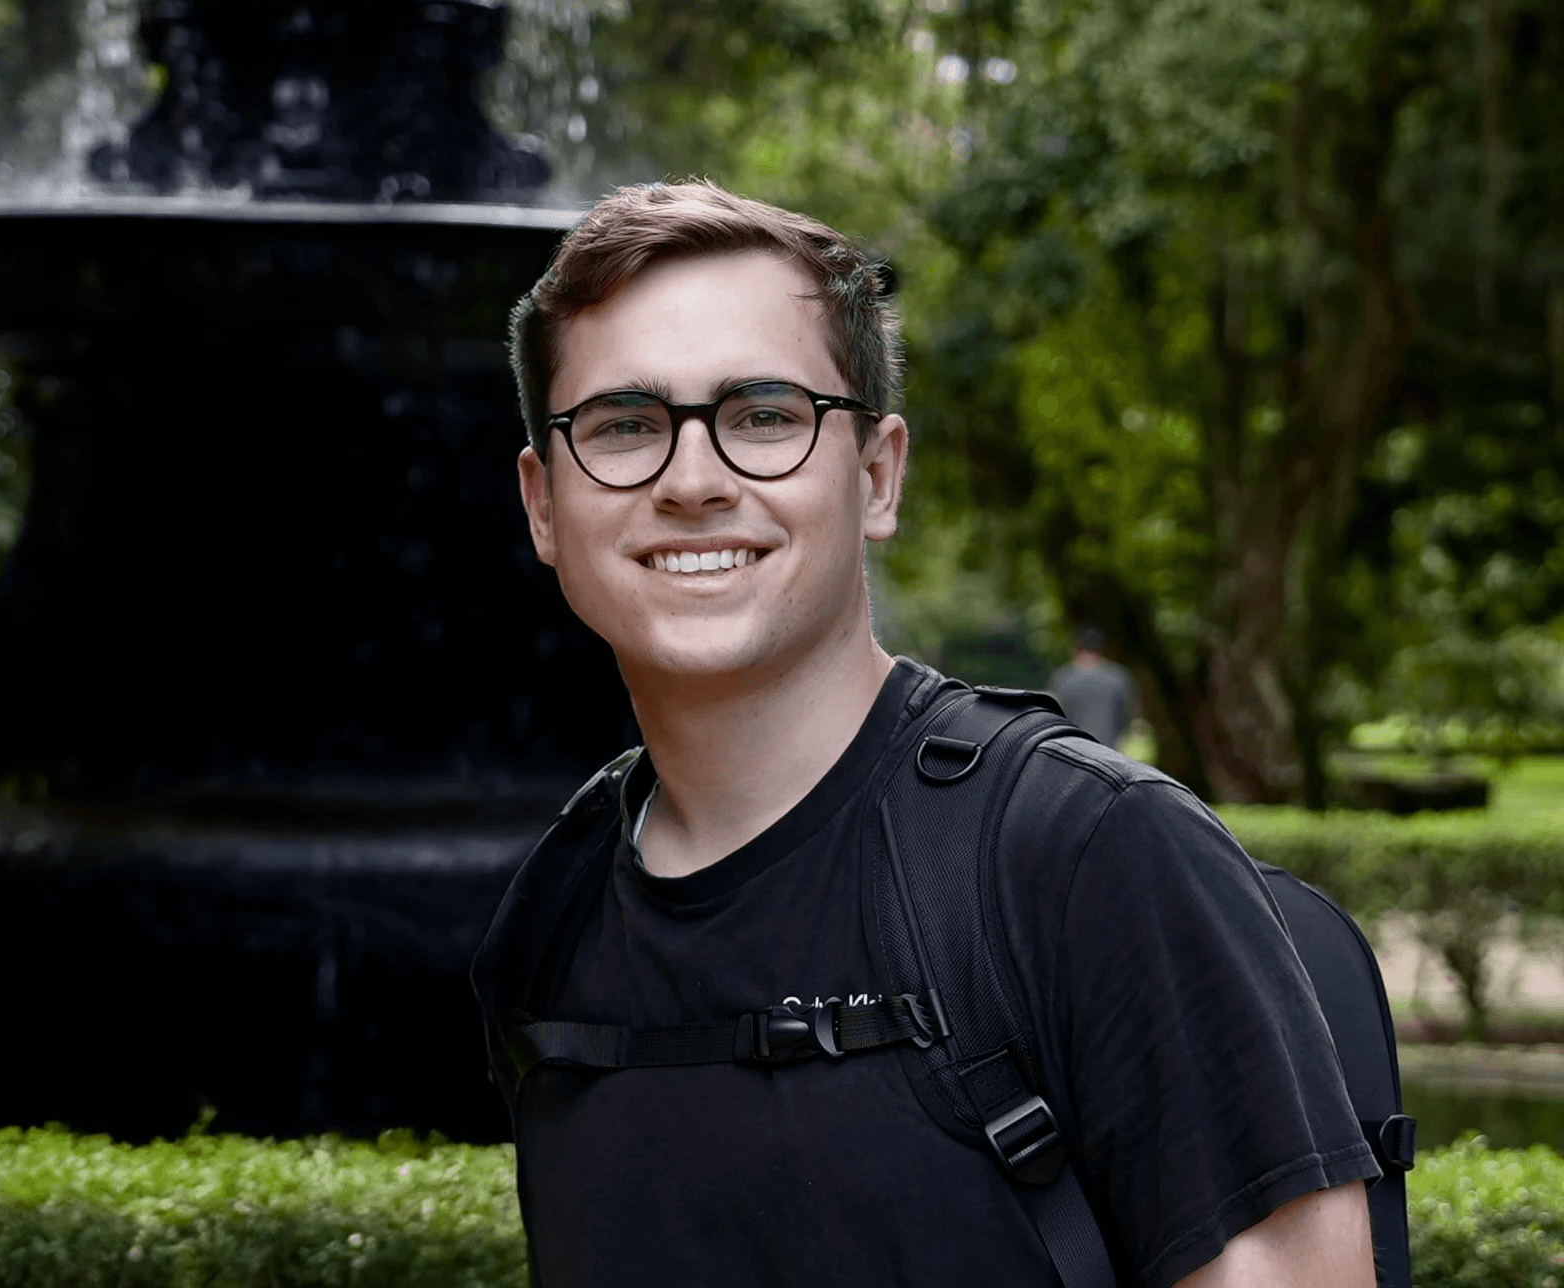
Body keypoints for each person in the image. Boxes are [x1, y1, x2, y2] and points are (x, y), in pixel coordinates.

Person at [488, 180, 1378, 1287]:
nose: (695, 479)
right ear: (542, 503)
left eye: (764, 415)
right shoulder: (557, 909)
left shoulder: (1088, 856)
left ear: (875, 475)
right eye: (624, 425)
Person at [1049, 626, 1139, 748]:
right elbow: (1127, 718)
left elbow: (1053, 718)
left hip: (1071, 751)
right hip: (1107, 750)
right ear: (1102, 648)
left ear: (1075, 648)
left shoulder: (1061, 679)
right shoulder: (1118, 677)